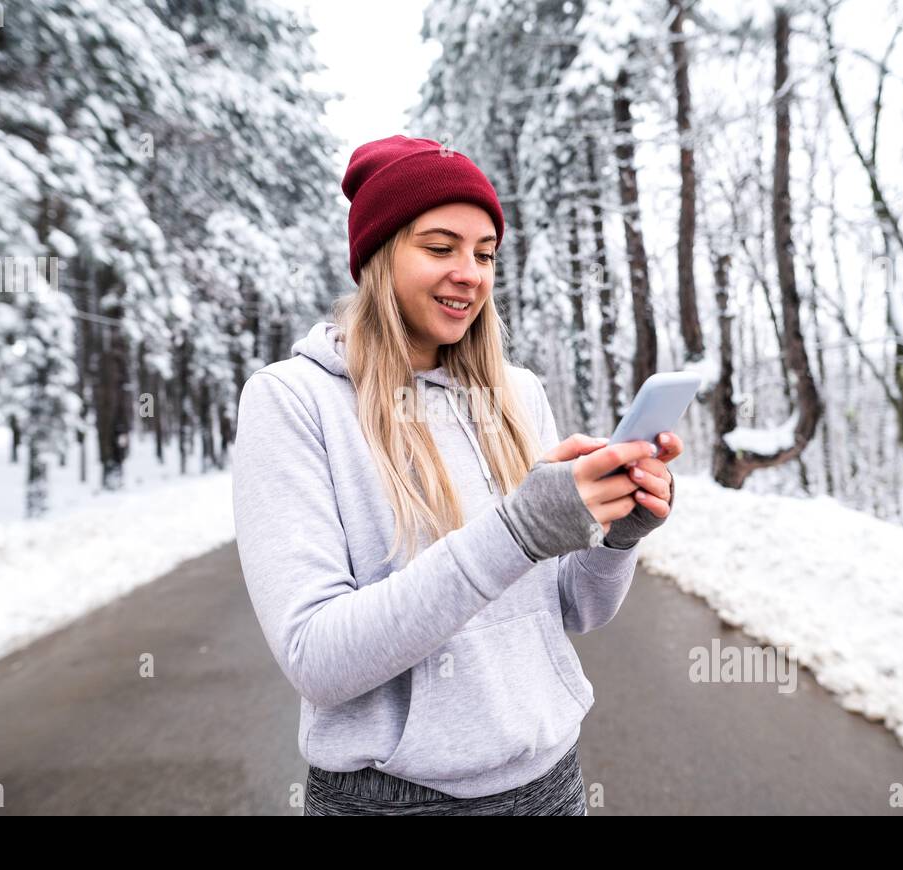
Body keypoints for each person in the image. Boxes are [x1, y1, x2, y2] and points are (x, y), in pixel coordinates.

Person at [232, 135, 681, 815]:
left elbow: (578, 610)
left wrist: (617, 535)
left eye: (485, 254)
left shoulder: (517, 393)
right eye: (440, 248)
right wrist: (519, 530)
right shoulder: (293, 401)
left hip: (551, 785)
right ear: (378, 257)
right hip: (390, 801)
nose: (469, 272)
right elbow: (316, 658)